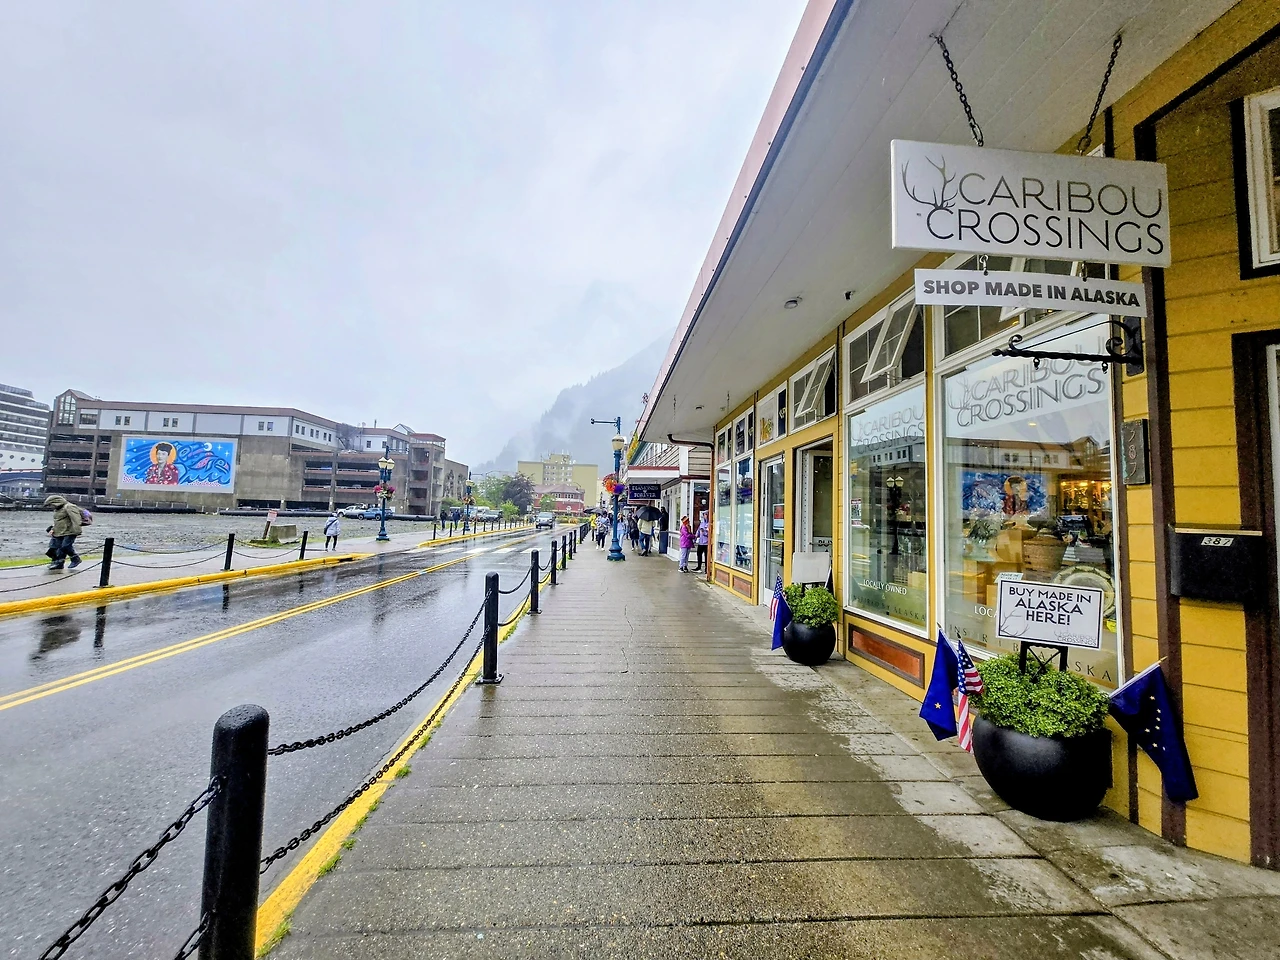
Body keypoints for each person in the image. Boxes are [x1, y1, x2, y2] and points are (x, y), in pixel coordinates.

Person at [44, 494, 84, 572]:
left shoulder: (69, 507)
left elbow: (76, 520)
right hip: (59, 532)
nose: (51, 507)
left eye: (51, 505)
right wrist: (52, 529)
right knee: (56, 548)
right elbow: (58, 521)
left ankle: (75, 558)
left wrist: (78, 531)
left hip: (70, 531)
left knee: (65, 546)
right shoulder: (57, 509)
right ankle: (58, 564)